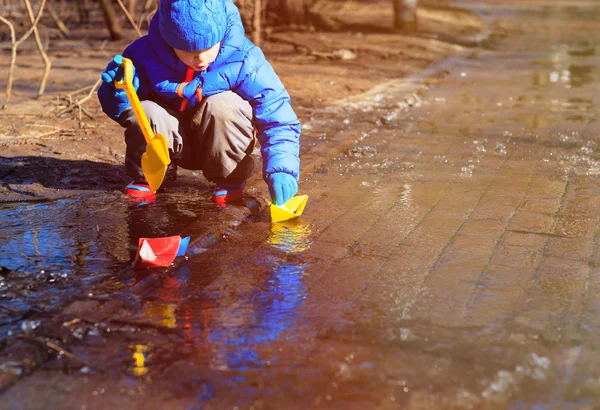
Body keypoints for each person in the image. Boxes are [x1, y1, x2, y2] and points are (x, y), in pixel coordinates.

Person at [98, 0, 300, 206]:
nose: (201, 58)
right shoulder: (144, 54)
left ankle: (229, 177)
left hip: (221, 143)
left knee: (224, 104)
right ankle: (151, 175)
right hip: (169, 141)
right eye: (187, 50)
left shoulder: (245, 59)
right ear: (169, 40)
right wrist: (117, 91)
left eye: (209, 47)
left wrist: (282, 168)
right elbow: (121, 111)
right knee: (147, 110)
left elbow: (277, 115)